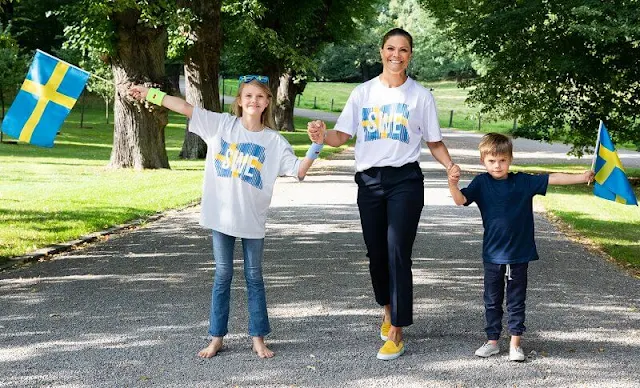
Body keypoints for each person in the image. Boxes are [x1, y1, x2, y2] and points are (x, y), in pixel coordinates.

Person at [129, 75, 324, 359]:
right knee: (223, 276)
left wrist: (316, 146)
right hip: (221, 218)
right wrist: (150, 94)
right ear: (240, 101)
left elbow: (299, 170)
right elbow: (184, 107)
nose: (253, 101)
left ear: (268, 102)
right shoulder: (221, 125)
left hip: (252, 221)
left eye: (259, 97)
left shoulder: (274, 141)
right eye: (248, 96)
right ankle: (216, 337)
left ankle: (258, 338)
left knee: (254, 277)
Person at [308, 28, 457, 361]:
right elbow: (341, 136)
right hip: (370, 182)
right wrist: (321, 134)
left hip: (405, 181)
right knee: (376, 253)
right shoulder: (363, 93)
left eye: (403, 50)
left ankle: (398, 330)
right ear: (381, 51)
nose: (396, 55)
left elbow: (433, 142)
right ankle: (387, 309)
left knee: (397, 252)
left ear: (410, 55)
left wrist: (450, 165)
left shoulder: (420, 96)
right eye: (391, 48)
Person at [447, 132, 594, 362]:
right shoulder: (481, 183)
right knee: (492, 299)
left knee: (516, 299)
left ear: (510, 159)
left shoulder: (523, 182)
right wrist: (452, 183)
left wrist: (581, 176)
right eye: (492, 161)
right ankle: (492, 341)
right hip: (492, 254)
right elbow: (460, 200)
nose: (498, 165)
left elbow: (552, 178)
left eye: (502, 160)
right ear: (483, 161)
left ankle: (515, 343)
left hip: (519, 253)